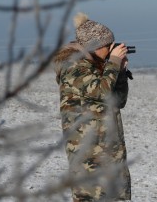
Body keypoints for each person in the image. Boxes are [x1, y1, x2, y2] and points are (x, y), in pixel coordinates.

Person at [54, 12, 131, 201]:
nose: (110, 50)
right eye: (107, 47)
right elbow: (100, 92)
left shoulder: (99, 67)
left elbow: (118, 101)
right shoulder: (74, 67)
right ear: (95, 47)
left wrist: (120, 72)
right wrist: (113, 62)